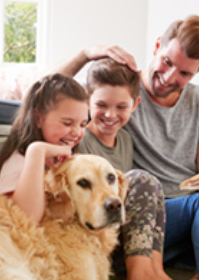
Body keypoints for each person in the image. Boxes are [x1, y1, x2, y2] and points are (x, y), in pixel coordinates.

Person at [52, 15, 199, 280]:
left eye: (184, 73)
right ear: (157, 46)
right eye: (167, 62)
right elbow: (48, 92)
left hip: (198, 206)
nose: (168, 77)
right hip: (158, 210)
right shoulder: (122, 91)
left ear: (196, 73)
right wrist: (86, 54)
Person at [78, 58, 171, 280]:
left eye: (121, 107)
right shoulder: (81, 141)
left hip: (121, 233)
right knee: (140, 179)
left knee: (153, 185)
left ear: (135, 105)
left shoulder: (126, 140)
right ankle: (140, 274)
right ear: (88, 101)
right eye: (101, 105)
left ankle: (155, 270)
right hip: (95, 234)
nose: (110, 115)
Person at [0, 73, 89, 224]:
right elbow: (27, 220)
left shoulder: (62, 161)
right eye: (67, 123)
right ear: (38, 118)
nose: (77, 132)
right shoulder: (19, 163)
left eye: (83, 124)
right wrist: (37, 151)